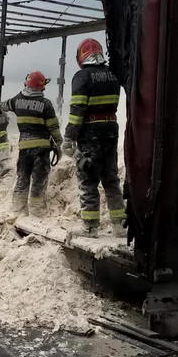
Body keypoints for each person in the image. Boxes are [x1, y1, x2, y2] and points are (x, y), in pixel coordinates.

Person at [62, 38, 126, 237]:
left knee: (88, 180)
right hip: (111, 132)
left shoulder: (82, 77)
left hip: (90, 135)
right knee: (111, 180)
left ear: (81, 56)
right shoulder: (113, 74)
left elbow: (77, 110)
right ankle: (119, 225)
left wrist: (68, 137)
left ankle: (90, 227)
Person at [0, 71, 62, 216]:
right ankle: (36, 212)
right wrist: (58, 142)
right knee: (38, 181)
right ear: (42, 87)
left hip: (24, 149)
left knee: (22, 179)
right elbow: (53, 127)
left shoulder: (17, 100)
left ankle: (17, 210)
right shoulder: (45, 104)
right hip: (41, 150)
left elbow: (4, 106)